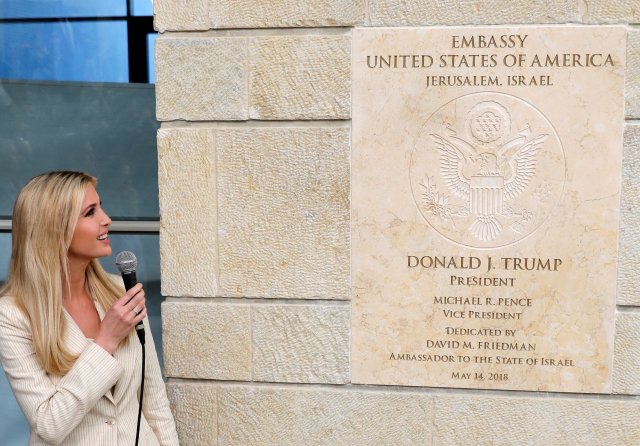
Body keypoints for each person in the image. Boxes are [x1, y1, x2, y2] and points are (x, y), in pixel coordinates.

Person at [0, 171, 179, 445]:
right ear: (54, 228)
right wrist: (106, 340)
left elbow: (154, 400)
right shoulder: (11, 315)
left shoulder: (119, 291)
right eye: (90, 212)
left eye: (101, 207)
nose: (106, 219)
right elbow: (49, 424)